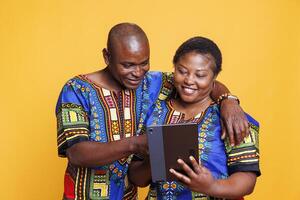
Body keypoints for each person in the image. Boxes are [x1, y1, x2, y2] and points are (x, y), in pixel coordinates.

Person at [56, 23, 249, 200]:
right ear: (107, 57)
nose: (138, 72)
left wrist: (228, 100)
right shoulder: (77, 90)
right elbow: (76, 153)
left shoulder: (151, 83)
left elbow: (197, 80)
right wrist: (135, 144)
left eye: (144, 63)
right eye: (128, 65)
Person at [129, 36, 260, 199]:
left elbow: (247, 181)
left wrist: (212, 186)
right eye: (182, 71)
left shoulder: (232, 119)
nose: (189, 80)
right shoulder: (155, 111)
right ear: (174, 68)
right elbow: (136, 178)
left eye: (200, 75)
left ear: (214, 77)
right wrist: (157, 160)